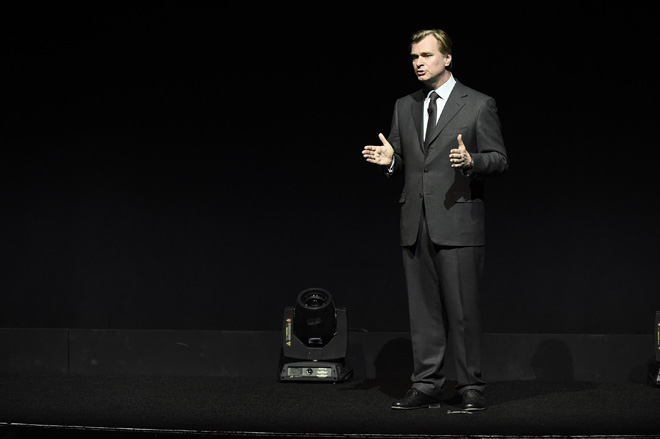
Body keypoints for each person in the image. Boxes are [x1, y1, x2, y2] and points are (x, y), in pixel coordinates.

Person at [362, 29, 508, 411]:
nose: (418, 63)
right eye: (414, 57)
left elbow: (499, 158)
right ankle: (426, 384)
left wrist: (473, 161)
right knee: (423, 312)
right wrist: (390, 161)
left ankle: (470, 385)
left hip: (458, 220)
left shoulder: (478, 104)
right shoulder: (405, 105)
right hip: (416, 221)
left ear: (447, 58)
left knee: (463, 311)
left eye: (426, 55)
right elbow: (402, 157)